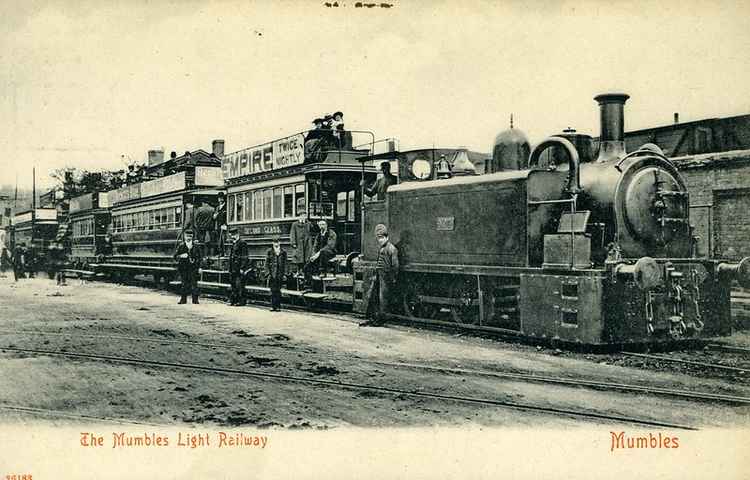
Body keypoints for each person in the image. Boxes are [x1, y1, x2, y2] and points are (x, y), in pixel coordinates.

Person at [361, 224, 399, 327]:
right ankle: (373, 317)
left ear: (387, 237)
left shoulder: (391, 249)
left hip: (386, 276)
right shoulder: (383, 248)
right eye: (379, 238)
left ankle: (380, 319)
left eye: (382, 238)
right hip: (379, 274)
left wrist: (393, 277)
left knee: (383, 297)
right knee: (375, 296)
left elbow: (395, 265)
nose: (380, 240)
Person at [173, 230, 201, 304]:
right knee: (184, 284)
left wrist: (200, 267)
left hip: (193, 268)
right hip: (184, 268)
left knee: (194, 284)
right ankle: (183, 300)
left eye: (190, 236)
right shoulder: (181, 246)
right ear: (185, 237)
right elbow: (175, 257)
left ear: (192, 237)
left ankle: (195, 300)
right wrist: (181, 256)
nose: (189, 238)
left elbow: (200, 257)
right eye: (187, 236)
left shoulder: (196, 246)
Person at [227, 228, 250, 306]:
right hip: (233, 267)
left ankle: (241, 301)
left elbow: (245, 257)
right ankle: (234, 300)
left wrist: (242, 268)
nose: (232, 237)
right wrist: (229, 268)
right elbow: (231, 257)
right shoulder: (234, 243)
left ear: (237, 235)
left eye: (233, 235)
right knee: (233, 284)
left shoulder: (242, 243)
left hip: (239, 267)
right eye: (231, 235)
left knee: (239, 285)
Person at [289, 211, 313, 284]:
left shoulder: (308, 224)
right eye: (302, 216)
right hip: (299, 244)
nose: (304, 217)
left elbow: (312, 229)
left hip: (307, 244)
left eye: (305, 216)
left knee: (307, 258)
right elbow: (292, 234)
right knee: (298, 258)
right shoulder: (295, 224)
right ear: (299, 216)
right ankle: (299, 271)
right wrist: (293, 243)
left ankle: (306, 275)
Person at [265, 238, 287, 311]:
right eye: (274, 242)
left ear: (279, 243)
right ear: (272, 243)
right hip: (272, 274)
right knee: (272, 290)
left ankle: (278, 306)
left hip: (279, 274)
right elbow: (266, 263)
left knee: (278, 290)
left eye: (277, 242)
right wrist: (268, 273)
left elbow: (285, 263)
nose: (276, 244)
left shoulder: (283, 252)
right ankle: (273, 306)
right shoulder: (269, 251)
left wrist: (285, 274)